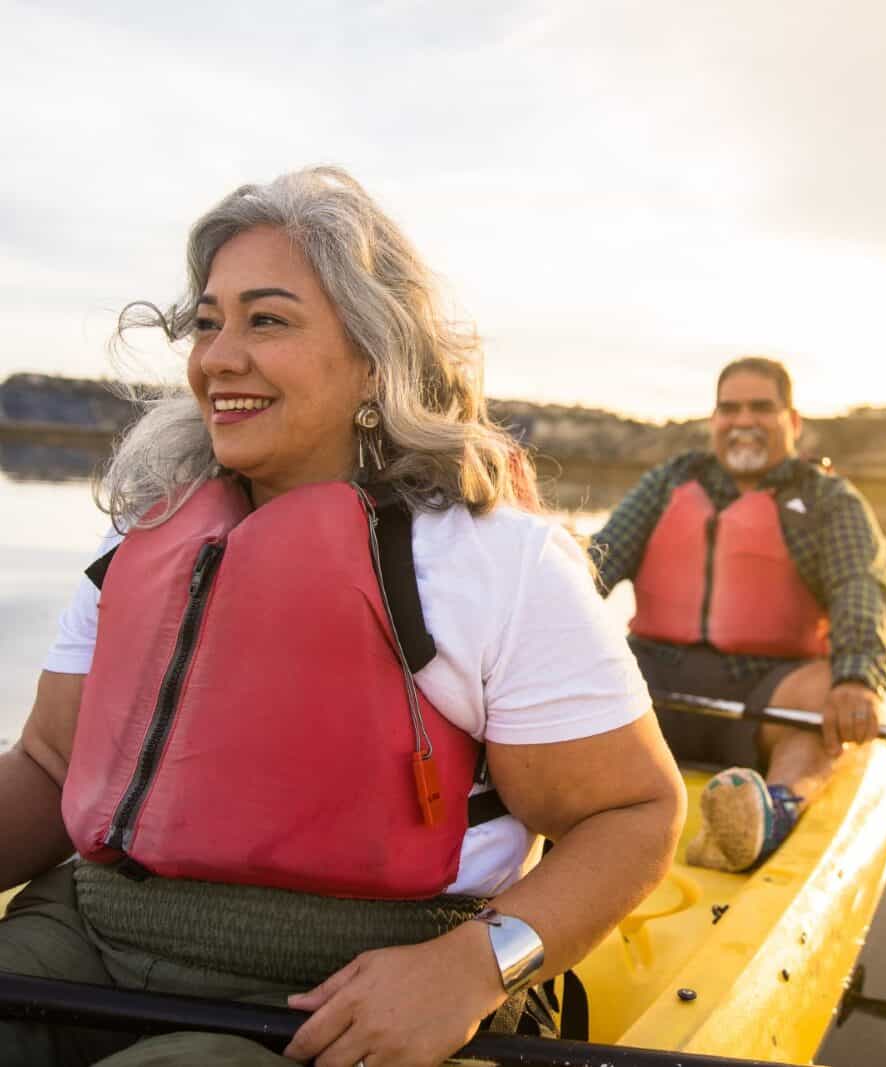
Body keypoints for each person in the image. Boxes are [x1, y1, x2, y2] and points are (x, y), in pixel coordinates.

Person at [0, 167, 685, 1067]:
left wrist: (474, 966)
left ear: (373, 356)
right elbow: (49, 764)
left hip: (347, 987)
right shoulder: (142, 536)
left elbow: (636, 811)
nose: (217, 358)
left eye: (267, 320)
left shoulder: (493, 561)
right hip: (90, 936)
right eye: (207, 322)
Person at [589, 356, 886, 873]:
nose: (743, 421)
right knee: (574, 665)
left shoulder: (827, 500)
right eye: (729, 409)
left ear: (792, 421)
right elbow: (597, 564)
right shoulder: (669, 483)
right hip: (653, 686)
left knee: (827, 690)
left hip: (768, 693)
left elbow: (860, 586)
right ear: (714, 420)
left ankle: (772, 809)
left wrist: (858, 677)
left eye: (761, 407)